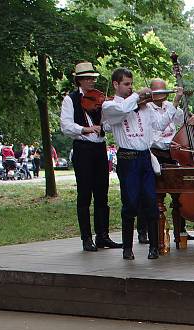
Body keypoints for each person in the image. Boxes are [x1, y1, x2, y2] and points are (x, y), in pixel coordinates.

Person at [101, 67, 183, 260]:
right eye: (126, 84)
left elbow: (161, 124)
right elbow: (122, 110)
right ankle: (127, 248)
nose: (130, 88)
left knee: (151, 202)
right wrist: (137, 96)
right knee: (130, 203)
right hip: (127, 159)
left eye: (132, 84)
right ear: (116, 85)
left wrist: (175, 101)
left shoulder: (145, 107)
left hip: (145, 158)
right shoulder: (110, 107)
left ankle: (154, 247)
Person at [60, 61, 122, 252]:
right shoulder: (70, 100)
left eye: (93, 78)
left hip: (99, 148)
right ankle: (86, 238)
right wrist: (86, 129)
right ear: (79, 80)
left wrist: (111, 121)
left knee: (102, 194)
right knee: (84, 194)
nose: (91, 82)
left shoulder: (100, 100)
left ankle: (103, 235)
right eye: (87, 78)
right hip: (83, 149)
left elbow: (108, 124)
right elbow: (66, 126)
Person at [136, 78, 194, 245]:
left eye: (164, 91)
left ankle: (180, 231)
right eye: (158, 91)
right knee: (150, 194)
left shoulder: (169, 106)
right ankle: (144, 231)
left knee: (179, 193)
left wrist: (191, 118)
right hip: (155, 153)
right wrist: (169, 143)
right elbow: (154, 135)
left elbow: (181, 120)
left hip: (173, 153)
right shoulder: (145, 109)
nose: (163, 95)